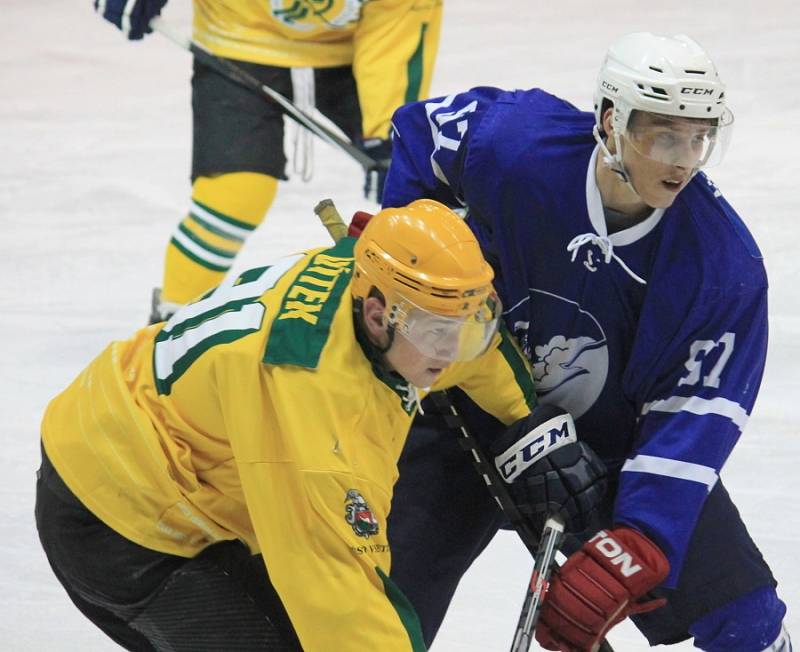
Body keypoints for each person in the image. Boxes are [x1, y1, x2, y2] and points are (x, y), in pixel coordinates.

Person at [35, 198, 609, 651]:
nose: (455, 348)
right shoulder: (316, 412)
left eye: (468, 323)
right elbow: (339, 604)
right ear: (379, 315)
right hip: (116, 517)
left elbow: (477, 349)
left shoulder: (386, 286)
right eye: (439, 334)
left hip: (159, 444)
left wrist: (525, 423)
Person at [381, 32, 792, 651]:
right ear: (610, 121)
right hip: (469, 402)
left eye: (700, 136)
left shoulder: (718, 266)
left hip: (611, 441)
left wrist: (639, 540)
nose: (684, 158)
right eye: (664, 135)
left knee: (747, 621)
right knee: (381, 601)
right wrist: (408, 258)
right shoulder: (520, 145)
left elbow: (693, 417)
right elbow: (421, 135)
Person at [93, 0, 442, 321]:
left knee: (421, 185)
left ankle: (432, 325)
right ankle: (173, 326)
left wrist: (385, 132)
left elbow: (400, 17)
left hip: (353, 50)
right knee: (233, 199)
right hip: (238, 37)